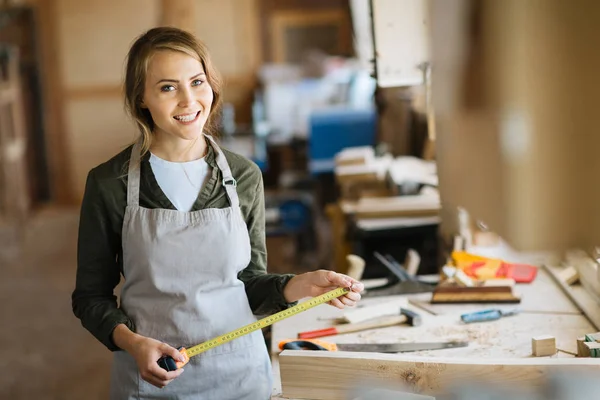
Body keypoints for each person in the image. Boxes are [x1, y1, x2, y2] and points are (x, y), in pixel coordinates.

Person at [71, 26, 364, 400]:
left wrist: (301, 285)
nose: (188, 100)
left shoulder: (243, 176)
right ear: (141, 97)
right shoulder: (109, 182)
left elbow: (250, 282)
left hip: (239, 377)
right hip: (152, 380)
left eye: (197, 81)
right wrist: (132, 342)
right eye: (167, 87)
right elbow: (91, 297)